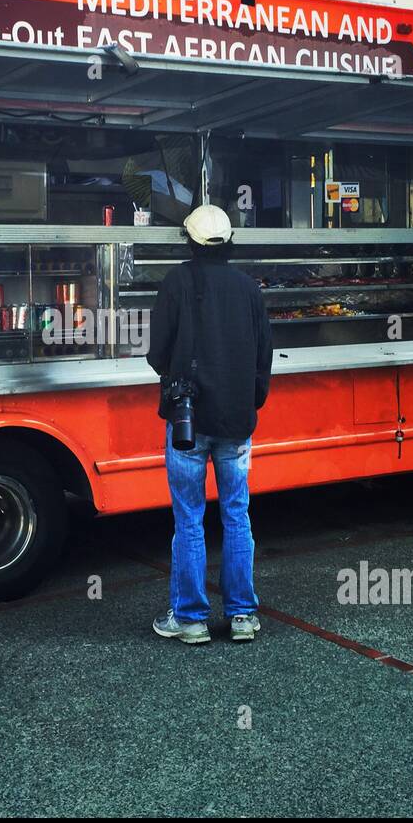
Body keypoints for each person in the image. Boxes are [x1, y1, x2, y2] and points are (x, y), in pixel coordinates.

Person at [147, 204, 273, 644]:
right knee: (237, 513)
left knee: (189, 517)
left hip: (189, 418)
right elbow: (263, 357)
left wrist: (176, 375)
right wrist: (249, 400)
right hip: (236, 419)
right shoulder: (248, 288)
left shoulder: (177, 282)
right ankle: (242, 616)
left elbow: (156, 352)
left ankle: (191, 618)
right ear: (229, 241)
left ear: (190, 241)